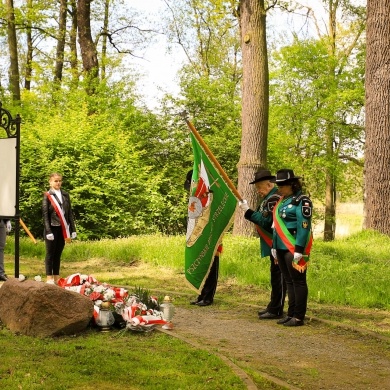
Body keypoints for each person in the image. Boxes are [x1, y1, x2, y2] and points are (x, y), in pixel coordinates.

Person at [238, 168, 286, 319]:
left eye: (259, 187)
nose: (258, 191)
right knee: (275, 275)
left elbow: (266, 221)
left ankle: (276, 308)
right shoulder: (270, 197)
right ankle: (273, 306)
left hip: (281, 243)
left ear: (269, 185)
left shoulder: (274, 198)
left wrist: (248, 211)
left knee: (279, 277)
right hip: (274, 243)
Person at [270, 169, 313, 327]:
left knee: (298, 282)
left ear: (292, 185)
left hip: (294, 247)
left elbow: (304, 226)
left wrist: (299, 249)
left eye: (282, 186)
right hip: (280, 247)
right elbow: (276, 227)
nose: (279, 189)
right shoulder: (282, 200)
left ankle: (298, 316)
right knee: (288, 281)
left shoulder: (302, 200)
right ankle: (291, 313)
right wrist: (274, 246)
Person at [184, 170, 221, 307]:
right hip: (198, 237)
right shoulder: (197, 199)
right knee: (201, 266)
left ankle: (208, 296)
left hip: (210, 237)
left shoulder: (211, 198)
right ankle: (201, 294)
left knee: (210, 267)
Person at [42, 173, 77, 284]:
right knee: (50, 253)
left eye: (60, 181)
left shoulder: (65, 195)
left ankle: (56, 276)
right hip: (52, 228)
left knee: (58, 253)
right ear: (50, 182)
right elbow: (45, 214)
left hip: (63, 228)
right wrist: (48, 230)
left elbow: (69, 213)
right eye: (56, 181)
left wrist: (73, 229)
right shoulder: (47, 195)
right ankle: (49, 277)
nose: (58, 183)